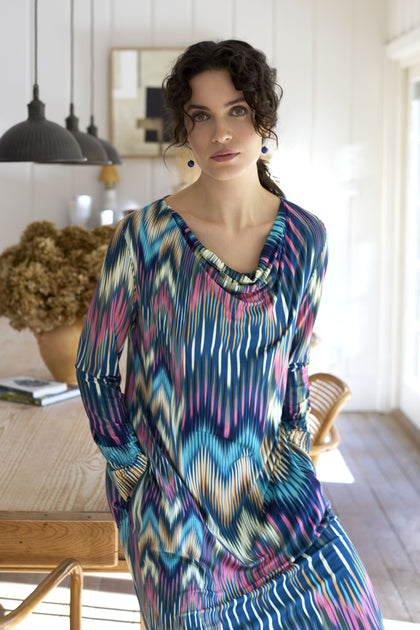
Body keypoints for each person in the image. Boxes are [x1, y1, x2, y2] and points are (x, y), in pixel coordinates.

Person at [76, 39, 384, 630]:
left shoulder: (305, 239)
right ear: (185, 131)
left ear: (264, 119)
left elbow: (293, 364)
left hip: (280, 497)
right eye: (202, 116)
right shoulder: (144, 239)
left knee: (353, 617)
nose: (221, 132)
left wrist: (296, 451)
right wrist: (134, 472)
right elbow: (94, 369)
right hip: (174, 516)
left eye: (236, 110)